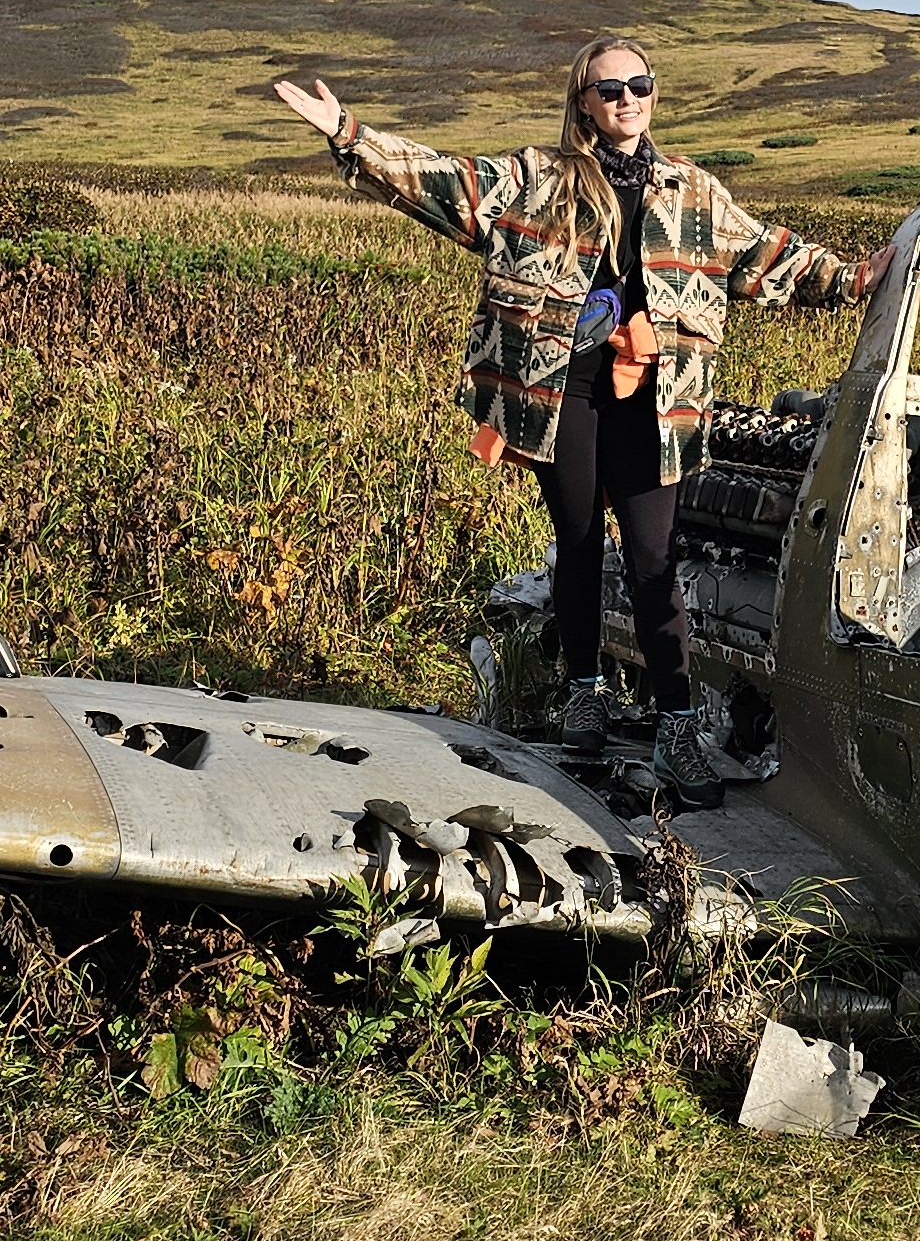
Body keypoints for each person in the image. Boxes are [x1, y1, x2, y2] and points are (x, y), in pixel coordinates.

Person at [275, 39, 882, 792]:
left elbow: (768, 255)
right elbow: (441, 180)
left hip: (657, 399)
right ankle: (585, 692)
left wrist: (858, 276)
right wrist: (350, 136)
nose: (628, 98)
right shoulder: (540, 180)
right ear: (584, 103)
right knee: (578, 541)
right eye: (610, 88)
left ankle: (676, 726)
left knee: (656, 560)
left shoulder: (694, 191)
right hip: (562, 391)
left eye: (640, 84)